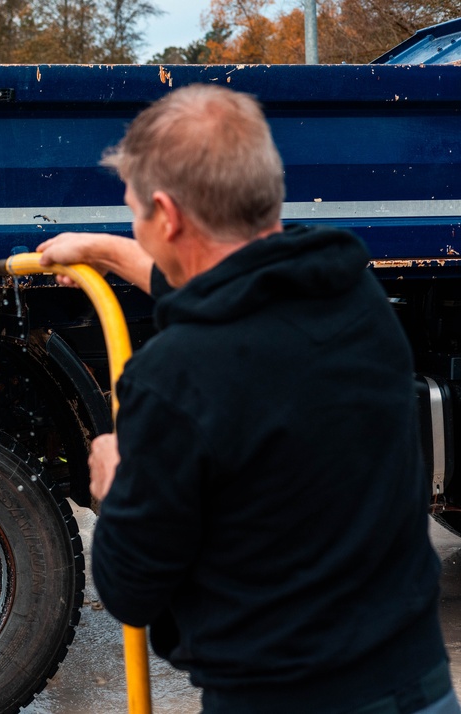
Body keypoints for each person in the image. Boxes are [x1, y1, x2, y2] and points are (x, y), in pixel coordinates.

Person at [38, 84, 459, 714]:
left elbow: (131, 589)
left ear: (168, 215)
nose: (136, 228)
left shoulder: (173, 379)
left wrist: (114, 483)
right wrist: (100, 249)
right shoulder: (352, 297)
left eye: (135, 214)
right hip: (418, 686)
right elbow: (214, 284)